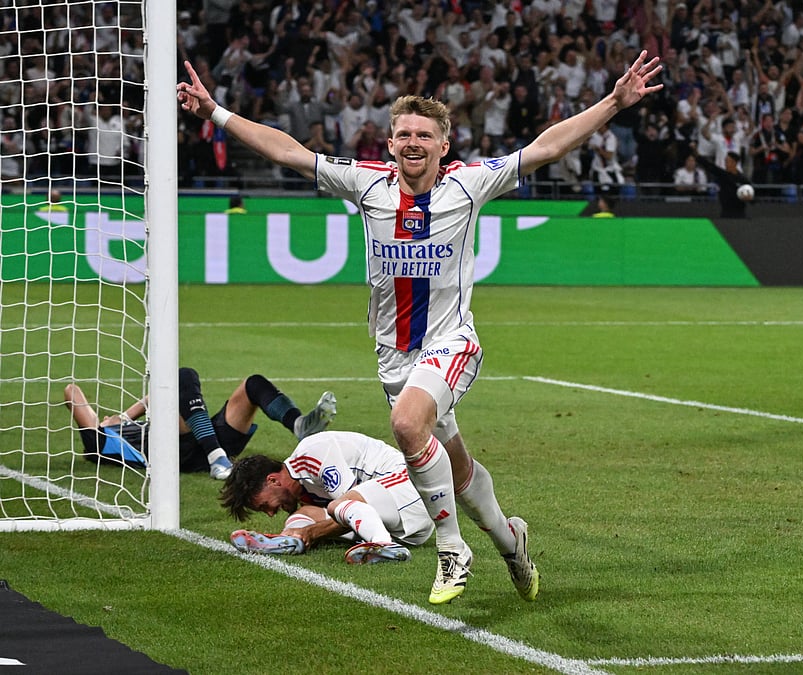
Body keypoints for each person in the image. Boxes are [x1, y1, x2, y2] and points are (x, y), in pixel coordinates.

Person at [177, 52, 662, 604]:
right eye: (403, 133)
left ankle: (452, 549)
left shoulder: (469, 185)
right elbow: (290, 151)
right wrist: (216, 112)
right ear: (389, 143)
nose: (413, 142)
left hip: (452, 344)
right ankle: (511, 541)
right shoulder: (367, 185)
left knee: (407, 426)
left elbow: (547, 146)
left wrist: (612, 104)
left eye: (424, 135)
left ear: (443, 145)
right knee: (458, 476)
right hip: (395, 360)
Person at [64, 367, 336, 481]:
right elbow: (71, 391)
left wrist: (123, 417)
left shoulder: (114, 430)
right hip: (174, 450)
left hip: (205, 438)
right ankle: (217, 458)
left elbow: (159, 392)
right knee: (183, 376)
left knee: (252, 384)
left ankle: (298, 424)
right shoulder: (99, 443)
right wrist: (109, 424)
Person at [221, 430, 435, 565]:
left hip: (411, 490)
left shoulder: (311, 452)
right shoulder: (305, 487)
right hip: (404, 526)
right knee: (304, 514)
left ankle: (383, 546)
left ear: (273, 480)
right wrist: (304, 530)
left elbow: (350, 506)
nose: (270, 513)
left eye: (266, 505)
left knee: (339, 506)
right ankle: (289, 540)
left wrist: (313, 533)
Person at [695, 151, 751, 218]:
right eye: (725, 161)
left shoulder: (743, 179)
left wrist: (749, 198)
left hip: (740, 214)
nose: (725, 164)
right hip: (726, 214)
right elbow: (710, 166)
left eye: (727, 161)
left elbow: (752, 197)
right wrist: (697, 154)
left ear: (734, 163)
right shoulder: (723, 175)